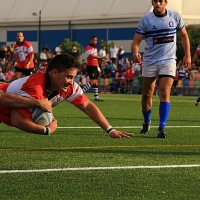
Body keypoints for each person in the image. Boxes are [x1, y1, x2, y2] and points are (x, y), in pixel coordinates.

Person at [0, 53, 133, 138]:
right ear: (54, 73)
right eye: (68, 77)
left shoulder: (68, 86)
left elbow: (87, 106)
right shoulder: (36, 87)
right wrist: (46, 130)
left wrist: (110, 130)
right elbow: (17, 120)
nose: (71, 81)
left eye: (73, 77)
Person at [131, 0, 191, 138]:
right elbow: (136, 41)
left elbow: (183, 35)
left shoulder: (175, 16)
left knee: (164, 91)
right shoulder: (146, 19)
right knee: (147, 94)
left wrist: (187, 55)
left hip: (168, 61)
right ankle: (147, 121)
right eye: (155, 1)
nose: (158, 4)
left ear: (165, 2)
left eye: (160, 1)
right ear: (152, 2)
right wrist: (135, 52)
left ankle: (162, 127)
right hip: (150, 61)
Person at [82, 36, 107, 101]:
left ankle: (96, 97)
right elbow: (92, 56)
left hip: (95, 66)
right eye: (93, 40)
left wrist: (98, 67)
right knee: (92, 81)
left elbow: (95, 58)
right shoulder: (88, 47)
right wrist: (102, 57)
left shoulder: (95, 48)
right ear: (91, 40)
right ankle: (80, 93)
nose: (95, 41)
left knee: (96, 82)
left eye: (96, 40)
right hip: (91, 66)